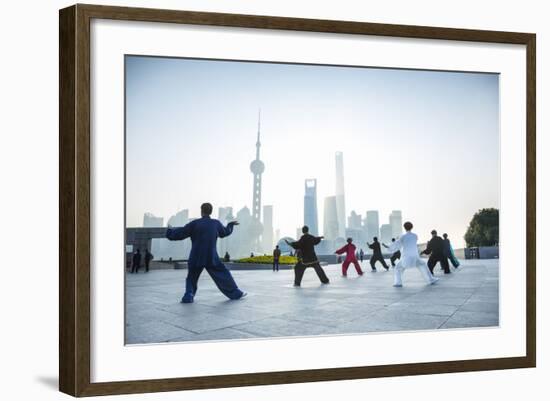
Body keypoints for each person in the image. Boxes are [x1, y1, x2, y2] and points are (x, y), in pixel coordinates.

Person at [166, 202, 246, 303]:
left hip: (196, 256)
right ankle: (236, 293)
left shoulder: (194, 224)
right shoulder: (215, 223)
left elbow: (181, 233)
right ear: (211, 211)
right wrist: (230, 225)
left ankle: (188, 296)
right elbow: (224, 232)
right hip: (211, 256)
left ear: (201, 211)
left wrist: (169, 231)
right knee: (223, 273)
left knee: (191, 277)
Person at [388, 222, 438, 287]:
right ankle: (431, 280)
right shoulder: (415, 235)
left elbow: (397, 245)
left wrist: (389, 246)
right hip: (415, 256)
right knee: (423, 265)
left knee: (398, 268)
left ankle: (398, 283)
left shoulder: (402, 236)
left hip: (406, 256)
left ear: (404, 227)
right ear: (412, 227)